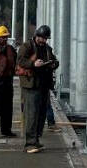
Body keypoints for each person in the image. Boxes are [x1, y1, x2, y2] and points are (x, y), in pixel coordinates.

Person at [16, 25, 59, 153]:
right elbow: (20, 61)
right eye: (42, 38)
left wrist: (54, 63)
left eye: (46, 39)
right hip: (30, 85)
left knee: (41, 115)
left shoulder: (47, 48)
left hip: (43, 85)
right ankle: (29, 143)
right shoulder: (26, 46)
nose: (44, 41)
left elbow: (55, 60)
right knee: (31, 114)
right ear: (37, 36)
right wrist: (33, 64)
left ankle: (36, 140)